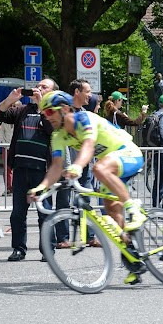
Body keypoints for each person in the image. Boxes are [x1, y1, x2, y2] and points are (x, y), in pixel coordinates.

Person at [27, 91, 147, 284]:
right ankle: (135, 257)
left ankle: (134, 209)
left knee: (99, 168)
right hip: (111, 168)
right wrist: (40, 187)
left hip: (128, 153)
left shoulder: (84, 119)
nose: (46, 117)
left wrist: (77, 166)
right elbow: (56, 166)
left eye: (49, 113)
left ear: (64, 109)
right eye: (44, 114)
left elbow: (89, 146)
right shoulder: (58, 135)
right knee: (113, 213)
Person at [0, 78, 58, 262]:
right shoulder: (23, 110)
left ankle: (47, 251)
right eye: (38, 85)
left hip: (42, 171)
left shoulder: (54, 113)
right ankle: (19, 249)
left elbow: (51, 129)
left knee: (44, 212)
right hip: (21, 169)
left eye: (44, 87)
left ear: (52, 93)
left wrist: (42, 106)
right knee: (18, 214)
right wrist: (10, 99)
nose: (38, 88)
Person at [54, 78, 101, 249]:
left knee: (85, 201)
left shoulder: (84, 113)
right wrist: (67, 166)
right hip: (68, 166)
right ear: (77, 92)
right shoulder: (64, 112)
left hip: (84, 166)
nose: (90, 95)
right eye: (87, 91)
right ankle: (62, 238)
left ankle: (89, 236)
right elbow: (63, 142)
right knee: (64, 201)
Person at [0, 101, 17, 196]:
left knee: (16, 169)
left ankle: (16, 188)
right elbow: (1, 132)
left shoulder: (20, 120)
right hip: (6, 146)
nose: (12, 108)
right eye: (11, 106)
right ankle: (8, 188)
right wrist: (3, 142)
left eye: (14, 106)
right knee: (7, 168)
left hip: (16, 147)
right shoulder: (6, 121)